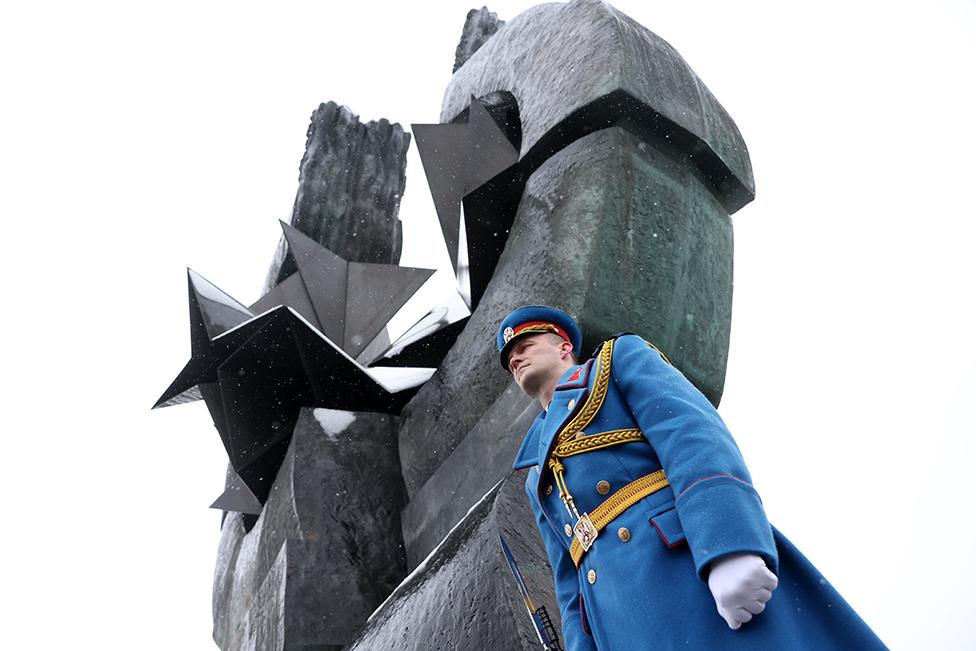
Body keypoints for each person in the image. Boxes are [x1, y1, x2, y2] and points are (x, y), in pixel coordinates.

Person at [499, 305, 887, 650]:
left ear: (564, 346)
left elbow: (692, 439)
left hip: (686, 571)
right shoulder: (535, 473)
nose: (515, 358)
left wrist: (728, 544)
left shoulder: (616, 363)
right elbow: (571, 582)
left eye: (525, 345)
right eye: (510, 357)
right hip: (621, 623)